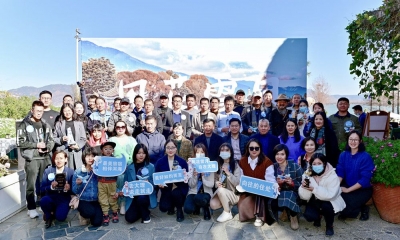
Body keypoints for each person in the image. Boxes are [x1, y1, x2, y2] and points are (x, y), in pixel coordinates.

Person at [17, 100, 55, 219]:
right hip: (32, 158)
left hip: (44, 158)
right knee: (31, 185)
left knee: (45, 184)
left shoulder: (45, 124)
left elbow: (51, 140)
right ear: (32, 110)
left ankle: (45, 206)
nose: (39, 113)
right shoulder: (24, 124)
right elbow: (20, 142)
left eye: (41, 111)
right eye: (37, 111)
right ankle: (31, 208)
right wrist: (36, 145)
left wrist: (47, 148)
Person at [299, 153, 346, 236]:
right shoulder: (308, 172)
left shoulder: (332, 175)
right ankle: (318, 216)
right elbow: (304, 196)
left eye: (319, 163)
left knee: (326, 207)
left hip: (330, 200)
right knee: (309, 217)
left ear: (324, 163)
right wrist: (304, 187)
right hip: (315, 198)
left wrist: (314, 189)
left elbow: (331, 195)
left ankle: (329, 225)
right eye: (314, 164)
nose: (316, 166)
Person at [336, 130, 374, 221]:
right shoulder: (343, 155)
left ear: (360, 141)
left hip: (362, 189)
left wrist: (348, 190)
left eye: (356, 140)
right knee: (337, 204)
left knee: (346, 211)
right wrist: (335, 186)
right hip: (348, 185)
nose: (353, 142)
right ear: (348, 140)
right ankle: (358, 207)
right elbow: (340, 172)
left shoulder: (365, 157)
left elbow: (365, 180)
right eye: (351, 139)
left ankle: (364, 208)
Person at [237, 139, 276, 227]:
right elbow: (241, 179)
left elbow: (270, 180)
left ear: (260, 149)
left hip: (262, 192)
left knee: (260, 190)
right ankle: (251, 213)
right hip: (247, 190)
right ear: (248, 149)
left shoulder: (267, 162)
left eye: (256, 148)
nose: (254, 150)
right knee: (243, 205)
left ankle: (259, 217)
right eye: (251, 148)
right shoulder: (242, 161)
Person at [155, 140, 189, 222]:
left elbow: (187, 178)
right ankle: (171, 205)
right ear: (165, 149)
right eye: (168, 148)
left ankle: (179, 210)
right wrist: (159, 184)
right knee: (163, 208)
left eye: (172, 148)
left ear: (176, 149)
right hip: (166, 188)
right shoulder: (160, 162)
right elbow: (156, 177)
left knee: (176, 193)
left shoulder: (182, 161)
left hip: (179, 187)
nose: (170, 150)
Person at [40, 151, 74, 228]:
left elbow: (74, 190)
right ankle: (48, 216)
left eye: (61, 158)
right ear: (53, 160)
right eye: (56, 158)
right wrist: (51, 187)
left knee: (60, 218)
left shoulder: (71, 172)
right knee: (44, 200)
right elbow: (42, 188)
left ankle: (54, 212)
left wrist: (69, 188)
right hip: (51, 196)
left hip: (64, 198)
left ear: (66, 159)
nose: (58, 161)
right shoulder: (48, 171)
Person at [272, 144, 303, 230]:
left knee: (287, 194)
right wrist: (277, 184)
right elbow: (269, 182)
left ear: (286, 155)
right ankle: (285, 210)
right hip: (279, 192)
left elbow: (304, 182)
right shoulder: (273, 167)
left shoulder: (294, 166)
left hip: (294, 192)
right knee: (278, 196)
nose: (279, 157)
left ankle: (293, 217)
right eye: (277, 154)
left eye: (282, 154)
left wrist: (292, 183)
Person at [124, 144, 157, 223]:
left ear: (146, 154)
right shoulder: (129, 167)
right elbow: (125, 182)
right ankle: (141, 210)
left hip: (146, 196)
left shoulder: (151, 167)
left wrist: (149, 183)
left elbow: (155, 184)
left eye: (143, 153)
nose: (141, 155)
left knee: (142, 198)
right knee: (129, 218)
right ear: (135, 154)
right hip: (133, 197)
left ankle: (145, 215)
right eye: (139, 153)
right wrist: (125, 188)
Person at [210, 143, 241, 222]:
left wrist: (228, 173)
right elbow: (215, 179)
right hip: (222, 191)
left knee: (221, 190)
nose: (224, 152)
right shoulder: (217, 164)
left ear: (231, 152)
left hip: (234, 193)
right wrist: (216, 183)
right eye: (222, 150)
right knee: (213, 204)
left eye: (227, 150)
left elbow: (237, 182)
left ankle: (227, 212)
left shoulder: (235, 165)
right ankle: (227, 205)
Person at [72, 147, 103, 227]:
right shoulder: (78, 172)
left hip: (95, 200)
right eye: (88, 156)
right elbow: (74, 190)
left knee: (97, 222)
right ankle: (83, 215)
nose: (90, 158)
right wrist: (79, 184)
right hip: (83, 200)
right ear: (84, 157)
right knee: (89, 212)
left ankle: (90, 216)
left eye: (93, 156)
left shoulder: (99, 170)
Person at [183, 145, 214, 220]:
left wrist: (203, 176)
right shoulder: (191, 165)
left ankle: (206, 208)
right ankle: (196, 207)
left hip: (206, 192)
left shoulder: (210, 165)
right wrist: (194, 176)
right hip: (194, 192)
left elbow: (211, 185)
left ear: (205, 153)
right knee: (187, 209)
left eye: (202, 152)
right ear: (194, 154)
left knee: (200, 198)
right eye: (197, 152)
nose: (200, 154)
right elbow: (191, 184)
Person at [54, 103, 87, 170]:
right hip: (64, 151)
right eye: (65, 111)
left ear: (72, 111)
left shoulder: (79, 123)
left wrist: (78, 146)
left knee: (76, 174)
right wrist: (61, 139)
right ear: (62, 112)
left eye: (69, 110)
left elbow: (83, 138)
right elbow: (53, 138)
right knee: (65, 174)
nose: (67, 113)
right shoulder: (58, 124)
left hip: (76, 152)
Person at [97, 141, 120, 226]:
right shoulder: (99, 160)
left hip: (112, 182)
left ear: (113, 150)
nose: (108, 150)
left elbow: (120, 169)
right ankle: (105, 214)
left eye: (110, 149)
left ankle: (114, 213)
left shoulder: (115, 160)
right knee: (103, 199)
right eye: (106, 149)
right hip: (101, 182)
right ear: (102, 151)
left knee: (113, 197)